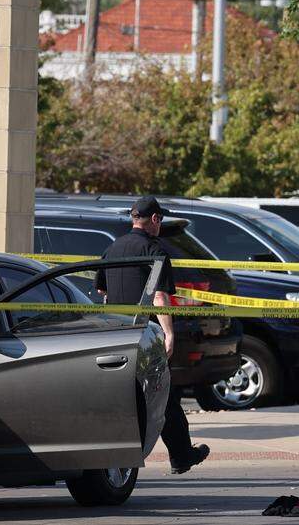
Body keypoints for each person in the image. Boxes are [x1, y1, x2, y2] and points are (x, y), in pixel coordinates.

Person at [93, 196, 210, 475]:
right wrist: (169, 334)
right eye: (161, 219)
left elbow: (102, 292)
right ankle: (179, 455)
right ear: (155, 219)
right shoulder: (154, 249)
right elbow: (159, 295)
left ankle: (177, 454)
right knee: (162, 394)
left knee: (130, 398)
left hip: (115, 333)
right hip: (144, 335)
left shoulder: (113, 248)